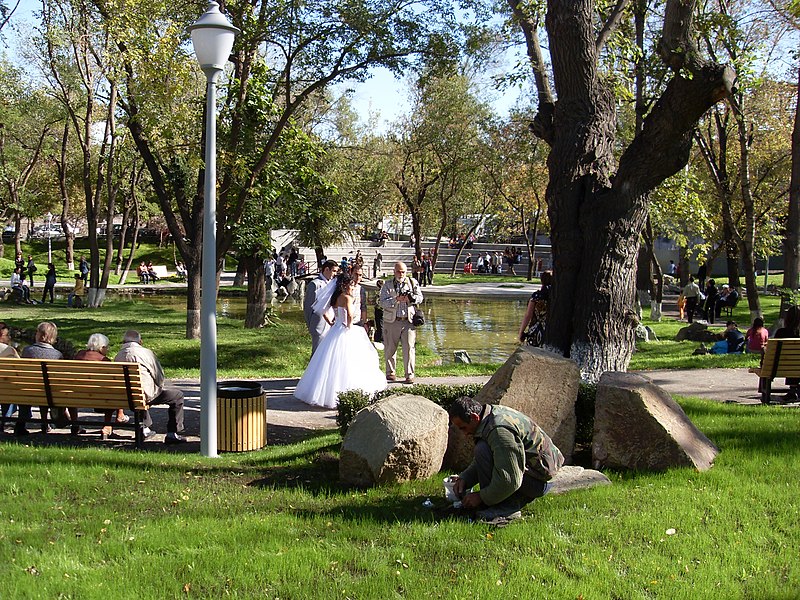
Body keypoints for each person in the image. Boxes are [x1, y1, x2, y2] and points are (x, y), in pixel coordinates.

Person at [448, 397, 564, 522]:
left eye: (463, 428)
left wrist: (481, 497)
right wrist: (466, 478)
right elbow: (490, 456)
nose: (464, 434)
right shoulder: (489, 416)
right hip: (534, 473)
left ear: (475, 417)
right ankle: (498, 501)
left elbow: (510, 480)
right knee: (482, 449)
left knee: (482, 449)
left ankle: (507, 507)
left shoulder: (499, 431)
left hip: (540, 482)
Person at [293, 273, 387, 408]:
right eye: (351, 285)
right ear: (345, 285)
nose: (353, 287)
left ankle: (325, 392)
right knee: (351, 361)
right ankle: (349, 391)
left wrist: (332, 323)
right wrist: (348, 325)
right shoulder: (347, 298)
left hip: (335, 330)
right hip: (347, 330)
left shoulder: (334, 297)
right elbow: (349, 314)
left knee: (330, 362)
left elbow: (323, 311)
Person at [114, 330, 186, 443]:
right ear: (140, 341)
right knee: (177, 396)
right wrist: (159, 386)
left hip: (127, 396)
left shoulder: (118, 356)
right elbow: (159, 376)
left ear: (124, 341)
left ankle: (145, 428)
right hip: (144, 395)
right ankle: (173, 433)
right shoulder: (146, 353)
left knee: (137, 393)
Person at [15, 322, 66, 436]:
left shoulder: (27, 351)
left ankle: (20, 425)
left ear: (39, 335)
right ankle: (46, 422)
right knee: (47, 389)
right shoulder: (57, 355)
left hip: (29, 391)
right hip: (50, 394)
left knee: (26, 390)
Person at [75, 333, 129, 440]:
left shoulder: (79, 356)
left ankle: (75, 425)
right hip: (101, 398)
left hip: (76, 396)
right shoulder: (104, 361)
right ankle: (107, 426)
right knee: (112, 391)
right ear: (101, 348)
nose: (107, 349)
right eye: (107, 347)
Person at [379, 261, 424, 384]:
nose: (401, 274)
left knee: (409, 348)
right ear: (394, 272)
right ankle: (390, 373)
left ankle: (409, 374)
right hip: (392, 321)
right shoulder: (387, 285)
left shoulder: (412, 283)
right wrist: (396, 299)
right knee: (390, 348)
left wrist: (411, 298)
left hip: (408, 321)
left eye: (403, 272)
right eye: (398, 271)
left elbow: (420, 297)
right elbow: (381, 302)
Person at [303, 260, 339, 355]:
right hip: (318, 323)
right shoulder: (314, 284)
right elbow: (308, 306)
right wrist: (311, 324)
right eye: (334, 271)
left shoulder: (333, 283)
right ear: (326, 269)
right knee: (317, 352)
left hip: (331, 321)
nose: (335, 274)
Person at [773, 306, 800, 401]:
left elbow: (773, 351)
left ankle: (792, 391)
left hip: (782, 367)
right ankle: (794, 391)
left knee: (791, 361)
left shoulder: (781, 333)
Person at [518, 271, 552, 343]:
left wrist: (521, 332)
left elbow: (528, 315)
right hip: (550, 330)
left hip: (535, 330)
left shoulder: (536, 296)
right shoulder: (556, 297)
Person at [0, 323, 20, 432]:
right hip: (6, 389)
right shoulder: (9, 350)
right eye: (7, 335)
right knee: (9, 385)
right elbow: (20, 370)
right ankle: (6, 420)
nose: (9, 338)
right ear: (1, 336)